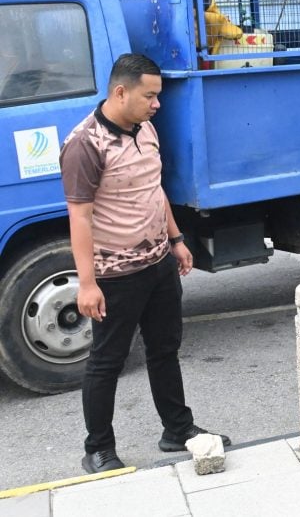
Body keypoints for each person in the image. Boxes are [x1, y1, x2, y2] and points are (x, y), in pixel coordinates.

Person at [60, 54, 230, 474]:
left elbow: (154, 190)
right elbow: (79, 217)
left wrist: (175, 239)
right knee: (107, 360)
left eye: (158, 96)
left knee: (165, 349)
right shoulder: (86, 143)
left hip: (157, 263)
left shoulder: (145, 129)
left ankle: (178, 428)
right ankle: (98, 448)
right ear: (121, 92)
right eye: (149, 95)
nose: (157, 104)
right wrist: (86, 284)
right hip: (115, 275)